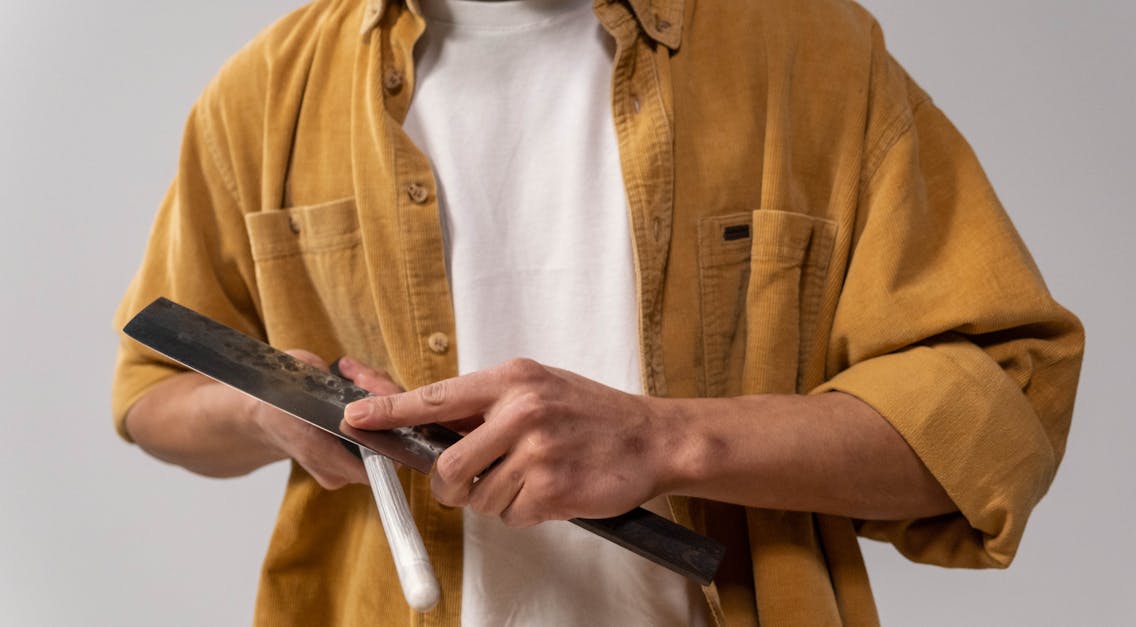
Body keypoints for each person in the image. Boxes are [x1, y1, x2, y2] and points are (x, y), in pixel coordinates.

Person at [111, 0, 1085, 625]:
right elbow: (152, 394)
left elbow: (999, 414)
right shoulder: (262, 96)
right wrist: (266, 411)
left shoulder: (813, 52)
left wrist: (667, 440)